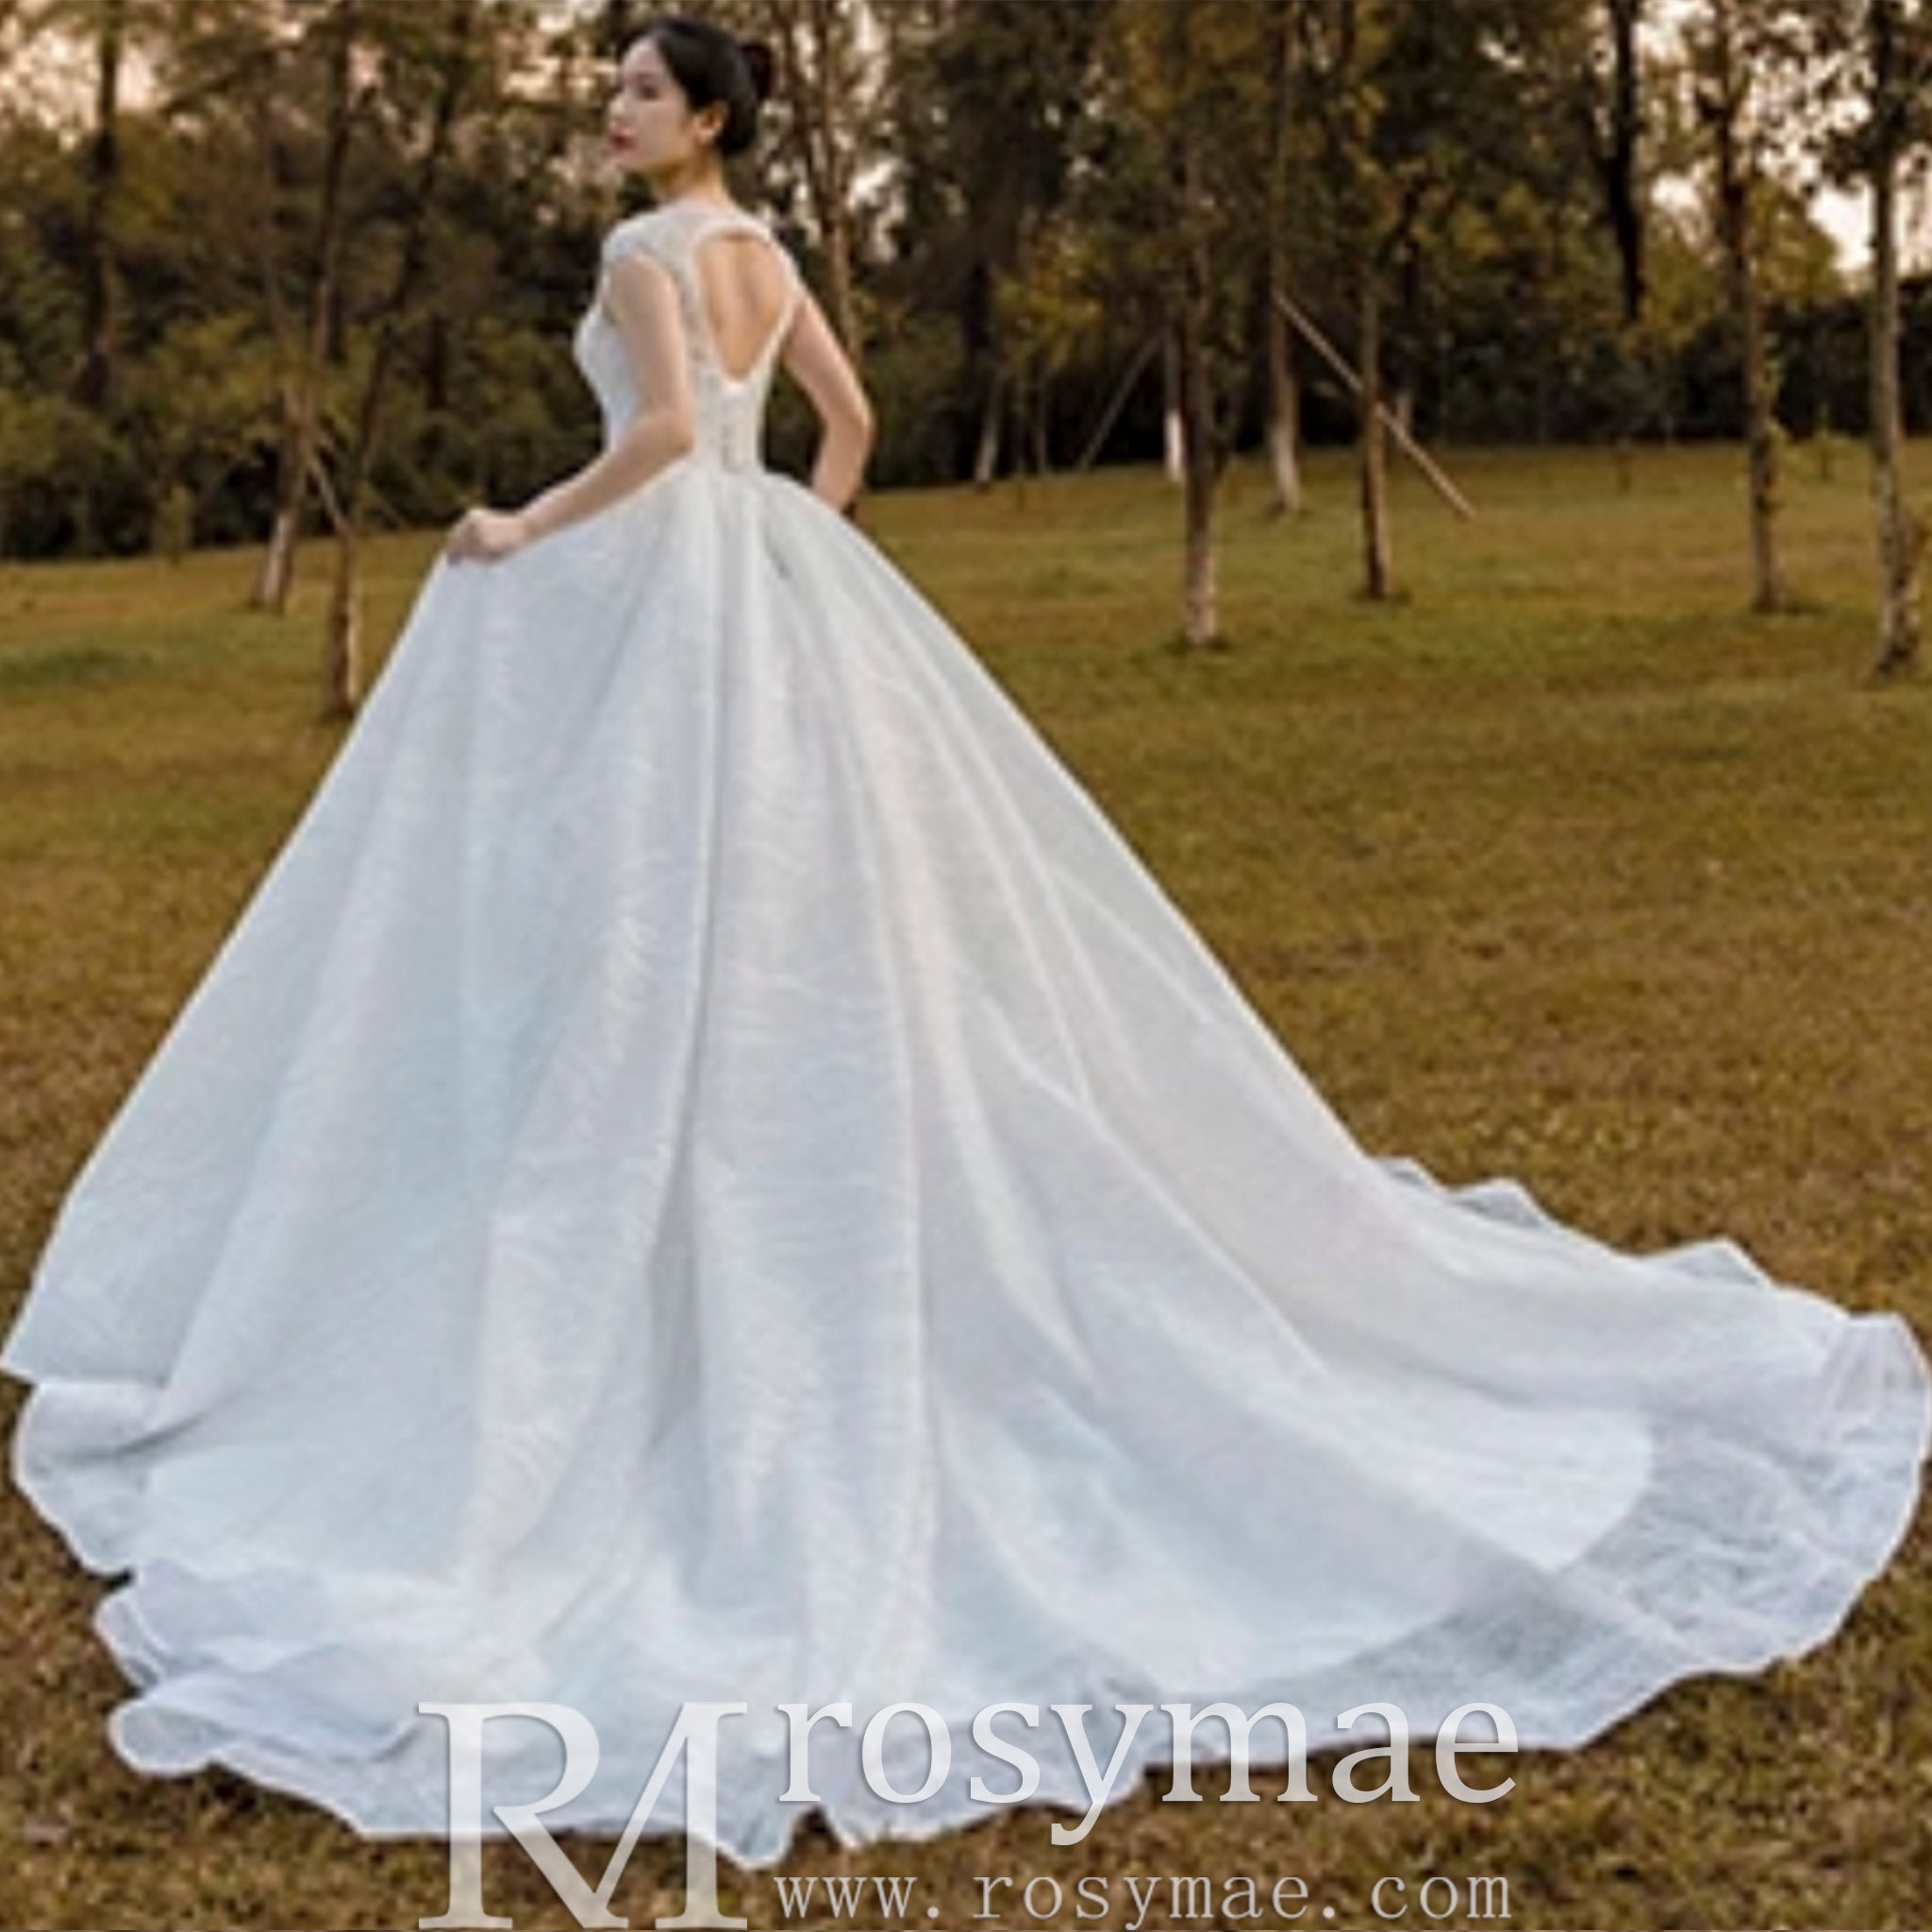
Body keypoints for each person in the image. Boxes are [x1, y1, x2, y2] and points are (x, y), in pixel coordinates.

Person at [3, 5, 1927, 1881]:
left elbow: (662, 430)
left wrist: (527, 525)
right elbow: (838, 428)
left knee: (635, 932)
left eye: (642, 89)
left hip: (667, 600)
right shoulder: (772, 252)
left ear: (706, 119)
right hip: (774, 592)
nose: (613, 108)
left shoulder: (649, 253)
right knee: (807, 921)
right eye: (612, 86)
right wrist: (792, 548)